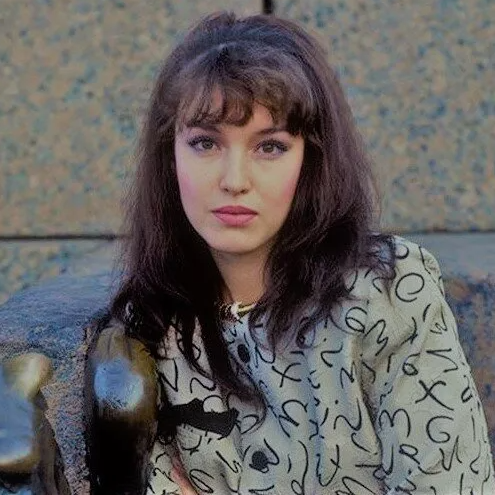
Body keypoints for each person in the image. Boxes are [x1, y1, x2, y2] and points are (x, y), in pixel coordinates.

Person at [3, 10, 491, 495]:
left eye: (270, 147)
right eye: (205, 143)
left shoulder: (388, 291)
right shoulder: (152, 327)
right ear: (170, 157)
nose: (234, 180)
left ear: (310, 159)